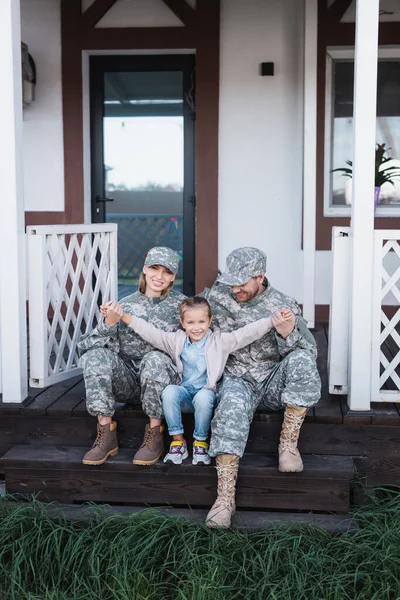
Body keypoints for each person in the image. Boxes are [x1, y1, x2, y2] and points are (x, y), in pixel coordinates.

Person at [203, 247, 321, 528]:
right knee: (229, 409)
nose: (234, 289)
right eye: (230, 282)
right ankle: (224, 500)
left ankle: (288, 445)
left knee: (302, 361)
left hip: (271, 381)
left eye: (241, 283)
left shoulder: (283, 304)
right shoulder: (215, 296)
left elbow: (309, 351)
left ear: (260, 277)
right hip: (235, 379)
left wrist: (287, 334)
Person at [105, 296, 282, 467]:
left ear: (209, 321)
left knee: (204, 396)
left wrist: (271, 320)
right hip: (184, 395)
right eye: (190, 323)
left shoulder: (219, 341)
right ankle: (178, 442)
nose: (196, 327)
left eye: (201, 322)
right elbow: (150, 332)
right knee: (169, 391)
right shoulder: (176, 341)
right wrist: (123, 316)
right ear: (182, 323)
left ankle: (200, 441)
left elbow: (246, 333)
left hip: (205, 396)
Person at [77, 246, 185, 466]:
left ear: (173, 276)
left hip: (164, 384)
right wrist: (109, 323)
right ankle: (106, 433)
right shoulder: (124, 305)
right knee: (95, 355)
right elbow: (85, 347)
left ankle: (155, 434)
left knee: (154, 358)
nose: (159, 276)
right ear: (145, 269)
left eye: (167, 272)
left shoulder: (182, 306)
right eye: (154, 268)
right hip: (129, 382)